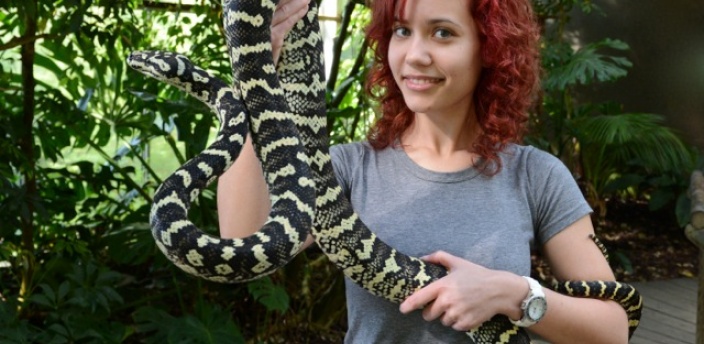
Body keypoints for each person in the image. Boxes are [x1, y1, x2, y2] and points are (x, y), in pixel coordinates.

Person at [218, 0, 630, 342]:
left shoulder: (536, 175)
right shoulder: (345, 168)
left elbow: (613, 329)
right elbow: (243, 240)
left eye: (443, 33)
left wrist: (513, 294)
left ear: (490, 49)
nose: (415, 55)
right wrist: (253, 72)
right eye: (401, 30)